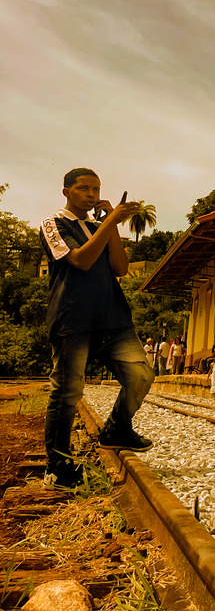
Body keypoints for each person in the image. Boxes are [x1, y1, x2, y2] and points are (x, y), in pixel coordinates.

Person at [39, 168, 154, 488]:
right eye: (83, 188)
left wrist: (110, 225)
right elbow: (81, 260)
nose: (91, 195)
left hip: (113, 318)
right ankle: (57, 467)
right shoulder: (53, 223)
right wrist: (109, 222)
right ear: (66, 192)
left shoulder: (97, 226)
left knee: (142, 375)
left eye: (96, 189)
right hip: (72, 319)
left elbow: (120, 267)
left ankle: (116, 429)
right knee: (68, 391)